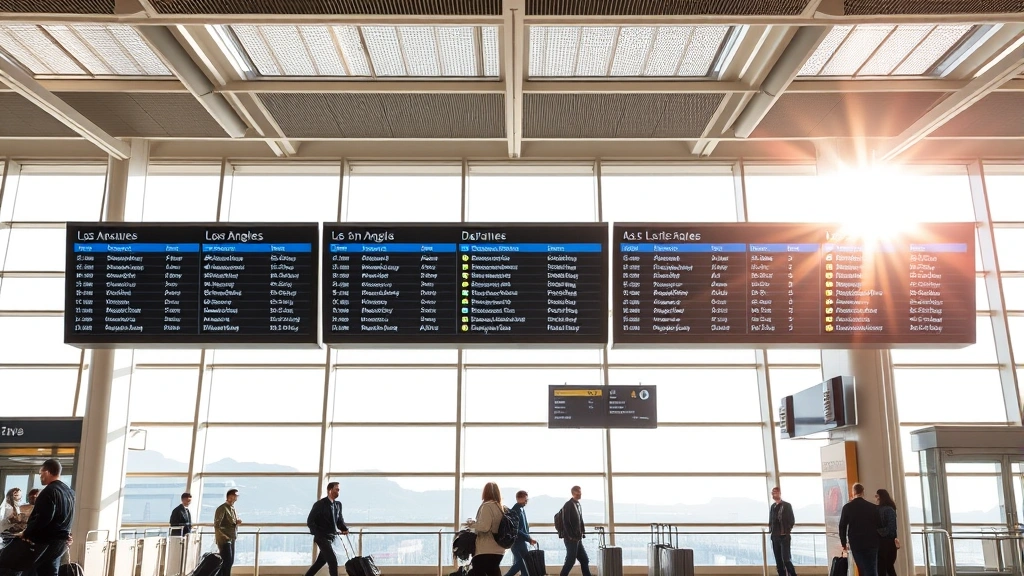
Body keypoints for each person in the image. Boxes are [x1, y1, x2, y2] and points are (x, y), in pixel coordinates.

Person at [17, 459, 75, 576]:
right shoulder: (69, 492)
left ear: (47, 472)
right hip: (61, 542)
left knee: (31, 571)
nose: (40, 476)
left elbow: (43, 518)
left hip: (46, 542)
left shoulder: (49, 491)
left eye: (40, 473)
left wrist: (27, 533)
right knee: (51, 571)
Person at [303, 482, 349, 576]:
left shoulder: (338, 505)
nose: (338, 492)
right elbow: (310, 521)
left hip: (331, 538)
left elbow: (339, 521)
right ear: (330, 490)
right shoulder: (320, 504)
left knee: (320, 562)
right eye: (337, 489)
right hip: (322, 538)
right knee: (332, 561)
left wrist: (344, 529)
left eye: (339, 490)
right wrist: (318, 533)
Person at [839, 483, 883, 576]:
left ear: (853, 493)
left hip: (856, 543)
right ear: (863, 492)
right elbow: (880, 525)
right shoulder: (873, 507)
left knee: (861, 568)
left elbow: (842, 526)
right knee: (872, 568)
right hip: (872, 542)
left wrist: (843, 543)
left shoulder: (847, 507)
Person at [465, 482, 506, 576]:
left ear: (485, 492)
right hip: (499, 548)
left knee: (477, 570)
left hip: (486, 548)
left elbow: (485, 527)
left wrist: (472, 525)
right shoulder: (501, 507)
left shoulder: (487, 506)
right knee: (493, 571)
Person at [559, 486, 591, 576]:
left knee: (584, 559)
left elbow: (580, 521)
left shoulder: (577, 504)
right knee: (570, 561)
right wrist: (570, 537)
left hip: (577, 538)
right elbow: (566, 522)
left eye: (580, 493)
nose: (580, 495)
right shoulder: (568, 505)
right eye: (578, 493)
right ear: (573, 493)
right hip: (571, 539)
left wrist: (582, 533)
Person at [504, 491, 536, 576]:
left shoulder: (520, 509)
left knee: (525, 564)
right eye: (525, 499)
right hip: (517, 541)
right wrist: (528, 538)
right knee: (522, 563)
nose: (526, 501)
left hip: (521, 541)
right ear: (519, 498)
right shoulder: (516, 510)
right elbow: (516, 529)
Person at [768, 486, 797, 576]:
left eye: (776, 492)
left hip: (784, 537)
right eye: (773, 493)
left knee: (786, 559)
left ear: (780, 493)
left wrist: (787, 530)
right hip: (775, 537)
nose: (774, 494)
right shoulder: (773, 507)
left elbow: (791, 520)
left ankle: (793, 574)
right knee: (778, 561)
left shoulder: (787, 506)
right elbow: (771, 520)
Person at [214, 489, 242, 576]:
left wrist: (236, 522)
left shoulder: (232, 508)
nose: (237, 497)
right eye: (235, 495)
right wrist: (224, 536)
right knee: (227, 562)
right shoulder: (222, 508)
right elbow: (217, 525)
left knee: (230, 561)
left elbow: (230, 521)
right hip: (224, 540)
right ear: (230, 497)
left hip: (231, 537)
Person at [875, 489, 899, 576]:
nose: (876, 499)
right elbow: (892, 529)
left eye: (876, 496)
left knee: (884, 568)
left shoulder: (885, 510)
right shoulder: (890, 509)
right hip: (888, 543)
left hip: (884, 544)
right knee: (888, 568)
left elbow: (891, 528)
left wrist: (877, 532)